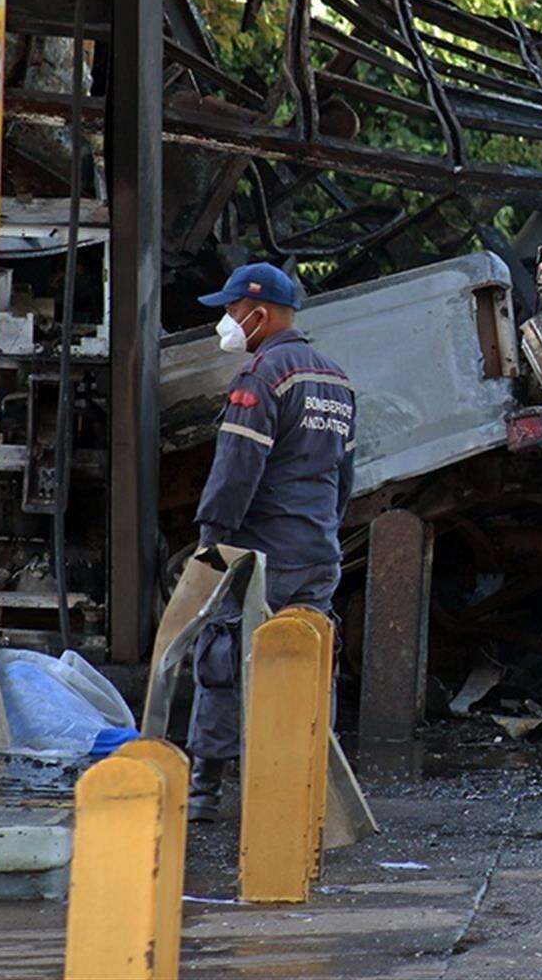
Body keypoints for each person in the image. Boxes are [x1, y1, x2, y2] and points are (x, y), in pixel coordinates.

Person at [185, 263, 356, 822]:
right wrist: (326, 530)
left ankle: (206, 787)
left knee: (223, 654)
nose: (227, 321)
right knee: (307, 658)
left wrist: (213, 537)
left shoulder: (261, 376)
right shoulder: (336, 378)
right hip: (316, 550)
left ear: (260, 313)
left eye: (233, 311)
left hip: (259, 551)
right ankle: (306, 785)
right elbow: (344, 477)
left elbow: (237, 468)